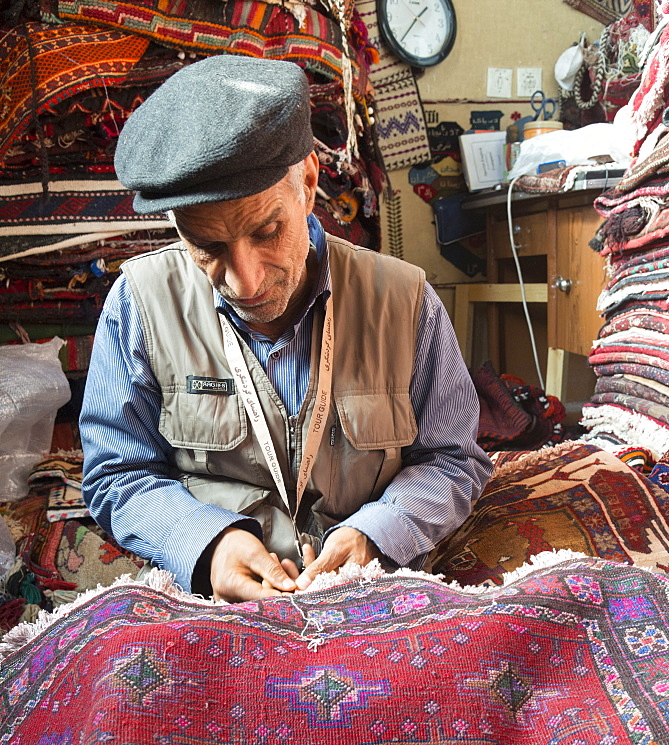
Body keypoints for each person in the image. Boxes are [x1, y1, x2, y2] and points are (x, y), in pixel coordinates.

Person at [80, 54, 493, 603]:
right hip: (215, 604)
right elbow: (118, 471)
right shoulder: (138, 303)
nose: (246, 282)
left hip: (369, 597)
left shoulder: (404, 300)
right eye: (208, 248)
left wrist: (380, 531)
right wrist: (204, 543)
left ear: (309, 183)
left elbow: (453, 458)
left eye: (268, 231)